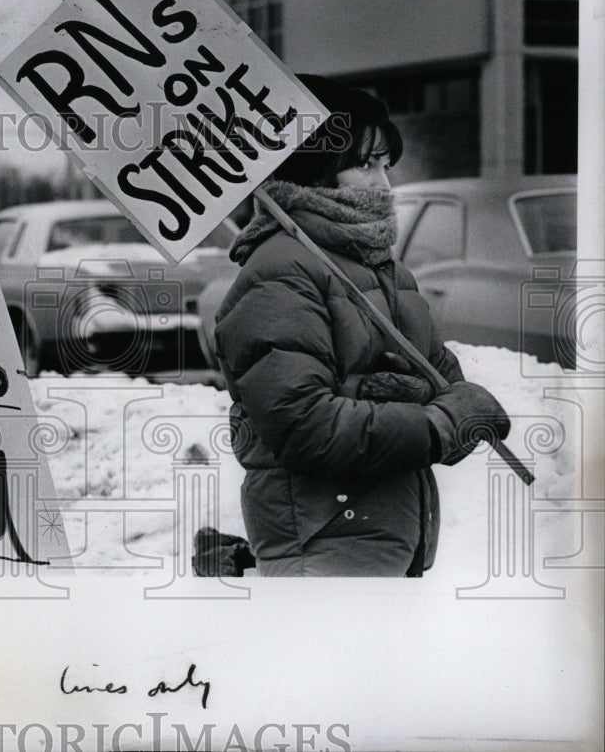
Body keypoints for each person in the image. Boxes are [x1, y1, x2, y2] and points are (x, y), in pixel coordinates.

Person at [212, 74, 510, 577]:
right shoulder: (280, 270)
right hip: (324, 542)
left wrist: (451, 410)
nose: (384, 185)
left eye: (386, 165)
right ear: (316, 170)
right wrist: (436, 423)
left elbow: (445, 385)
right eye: (364, 165)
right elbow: (305, 426)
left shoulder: (385, 271)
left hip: (386, 536)